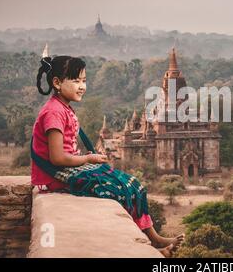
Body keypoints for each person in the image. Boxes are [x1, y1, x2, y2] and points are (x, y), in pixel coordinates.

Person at [30, 51, 183, 257]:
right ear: (57, 83)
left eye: (84, 80)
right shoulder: (54, 112)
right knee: (114, 189)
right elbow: (57, 158)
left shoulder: (64, 108)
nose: (82, 86)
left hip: (67, 169)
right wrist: (88, 158)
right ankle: (144, 245)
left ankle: (153, 238)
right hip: (54, 177)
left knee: (133, 184)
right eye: (75, 81)